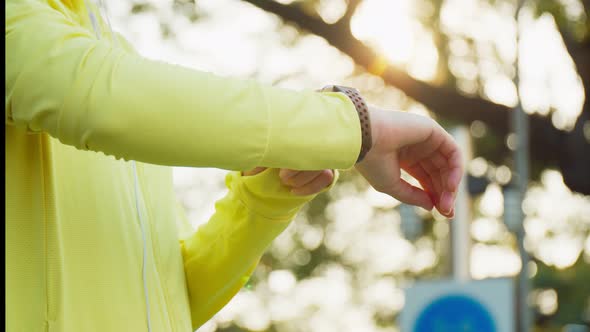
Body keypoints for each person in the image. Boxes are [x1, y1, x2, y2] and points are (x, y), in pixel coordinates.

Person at [5, 0, 463, 331]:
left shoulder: (119, 56)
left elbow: (178, 294)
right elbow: (98, 99)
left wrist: (263, 196)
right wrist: (355, 128)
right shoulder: (44, 37)